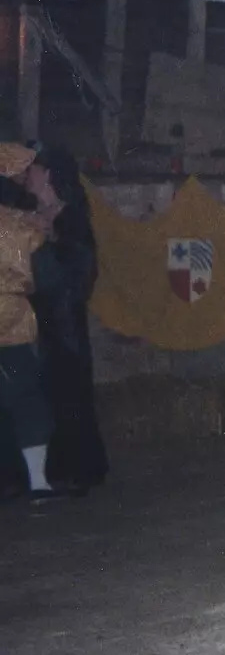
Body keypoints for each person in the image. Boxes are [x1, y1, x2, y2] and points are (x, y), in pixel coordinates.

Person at [24, 145, 108, 492]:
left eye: (35, 169)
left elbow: (79, 272)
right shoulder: (29, 215)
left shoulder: (71, 219)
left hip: (65, 323)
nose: (28, 175)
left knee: (70, 393)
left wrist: (46, 240)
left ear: (49, 176)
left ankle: (83, 469)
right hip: (38, 321)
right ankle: (53, 471)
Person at [0, 144, 67, 503]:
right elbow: (52, 279)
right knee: (25, 399)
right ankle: (37, 482)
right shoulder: (22, 227)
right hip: (11, 325)